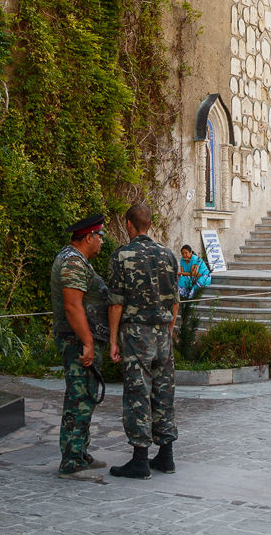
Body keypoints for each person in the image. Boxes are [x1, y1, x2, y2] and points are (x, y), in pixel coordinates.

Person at [108, 203, 181, 479]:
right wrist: (169, 331)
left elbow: (116, 304)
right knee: (164, 392)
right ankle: (166, 456)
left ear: (129, 224)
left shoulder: (121, 256)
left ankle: (140, 459)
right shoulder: (168, 255)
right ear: (149, 224)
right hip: (163, 332)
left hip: (137, 334)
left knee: (138, 392)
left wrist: (113, 340)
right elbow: (175, 301)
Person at [51, 213, 110, 480]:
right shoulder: (72, 262)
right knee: (79, 398)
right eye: (100, 237)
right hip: (77, 342)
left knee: (84, 397)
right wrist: (87, 342)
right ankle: (71, 461)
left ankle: (79, 452)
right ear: (89, 237)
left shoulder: (76, 260)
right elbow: (73, 306)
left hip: (82, 340)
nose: (101, 242)